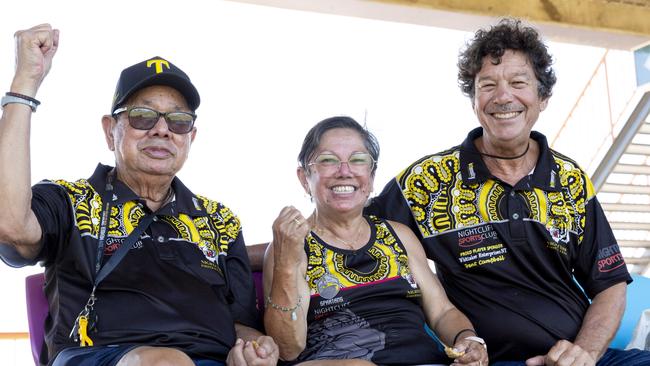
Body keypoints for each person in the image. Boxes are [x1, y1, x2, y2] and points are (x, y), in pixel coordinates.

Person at [366, 18, 650, 366]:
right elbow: (343, 228)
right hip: (490, 360)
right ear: (473, 98)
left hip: (578, 359)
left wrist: (585, 353)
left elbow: (609, 284)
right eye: (487, 85)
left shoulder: (570, 179)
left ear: (542, 96)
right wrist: (283, 254)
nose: (503, 97)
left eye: (518, 82)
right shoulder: (426, 182)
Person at [0, 24, 278, 366]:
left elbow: (240, 324)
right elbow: (9, 223)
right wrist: (24, 85)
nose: (162, 129)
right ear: (110, 129)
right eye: (143, 117)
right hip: (99, 354)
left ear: (192, 137)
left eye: (178, 121)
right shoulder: (70, 199)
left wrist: (256, 349)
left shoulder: (221, 220)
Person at [263, 116, 489, 365]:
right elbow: (287, 349)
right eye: (328, 160)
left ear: (370, 178)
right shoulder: (292, 247)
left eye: (358, 160)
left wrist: (468, 340)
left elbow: (442, 312)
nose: (345, 171)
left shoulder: (398, 235)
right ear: (305, 178)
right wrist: (285, 264)